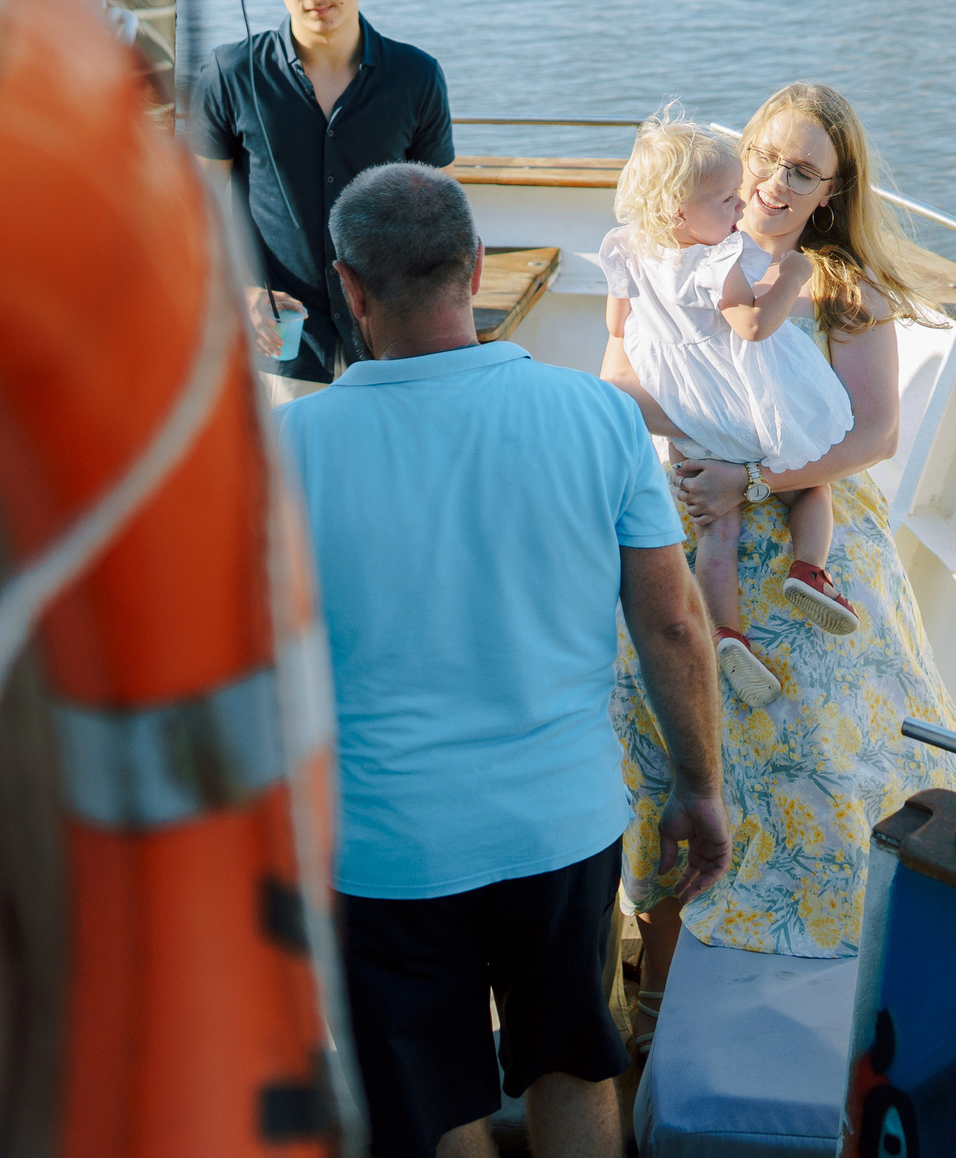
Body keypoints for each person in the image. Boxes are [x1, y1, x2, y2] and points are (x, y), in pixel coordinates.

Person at [280, 163, 729, 1158]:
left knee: (434, 1107)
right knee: (573, 1065)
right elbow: (672, 629)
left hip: (385, 847)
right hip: (560, 825)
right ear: (476, 267)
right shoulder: (598, 418)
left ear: (349, 290)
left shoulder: (284, 447)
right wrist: (700, 787)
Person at [601, 82, 956, 1056]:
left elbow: (874, 433)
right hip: (692, 523)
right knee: (671, 747)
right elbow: (621, 375)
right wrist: (695, 445)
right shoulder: (686, 256)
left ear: (831, 188)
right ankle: (656, 1013)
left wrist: (752, 476)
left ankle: (816, 1021)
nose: (772, 181)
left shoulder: (842, 287)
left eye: (800, 170)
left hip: (802, 541)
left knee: (815, 761)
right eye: (764, 157)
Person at [596, 107, 856, 713]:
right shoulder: (718, 260)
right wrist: (791, 274)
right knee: (814, 488)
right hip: (738, 410)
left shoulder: (628, 249)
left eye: (802, 172)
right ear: (677, 211)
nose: (742, 206)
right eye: (728, 200)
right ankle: (810, 570)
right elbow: (752, 325)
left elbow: (618, 325)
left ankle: (725, 632)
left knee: (718, 530)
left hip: (683, 410)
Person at [191, 0, 453, 401]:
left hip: (391, 345)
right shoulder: (229, 74)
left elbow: (439, 218)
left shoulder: (416, 77)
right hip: (280, 346)